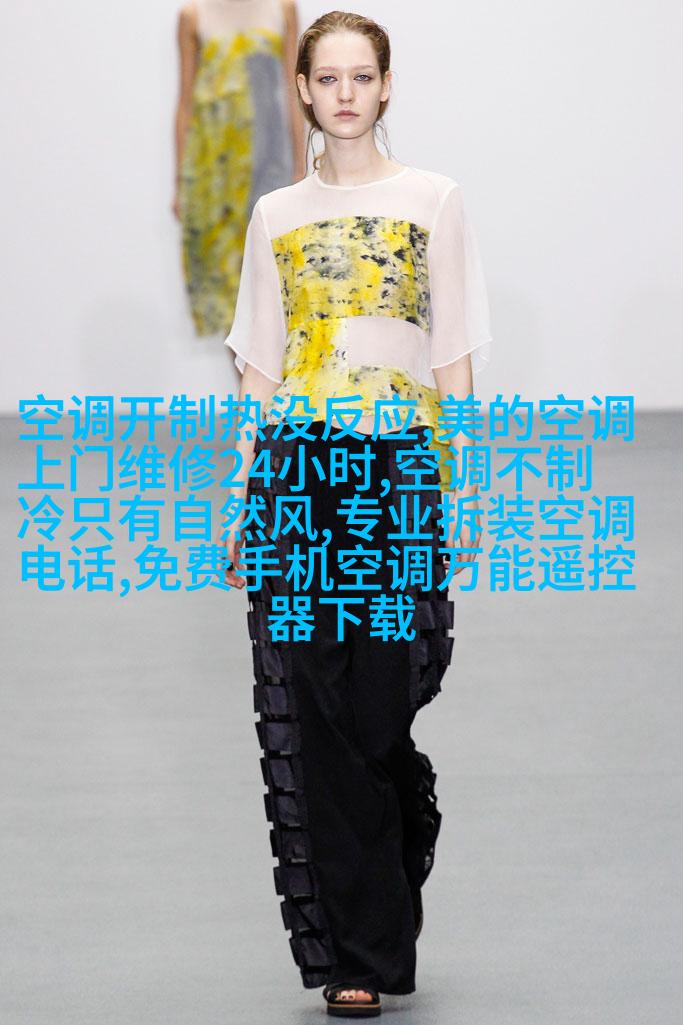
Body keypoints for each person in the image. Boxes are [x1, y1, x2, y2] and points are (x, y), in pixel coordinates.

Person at [220, 9, 492, 1017]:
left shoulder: (432, 200)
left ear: (385, 87)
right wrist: (237, 495)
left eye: (360, 77)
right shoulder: (275, 214)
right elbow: (259, 363)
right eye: (326, 78)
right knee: (313, 701)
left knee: (379, 700)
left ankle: (400, 817)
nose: (343, 94)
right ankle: (358, 955)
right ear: (301, 89)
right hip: (298, 469)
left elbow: (452, 354)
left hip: (398, 467)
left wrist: (460, 488)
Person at [172, 0, 306, 336]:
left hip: (269, 162)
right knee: (228, 291)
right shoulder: (193, 15)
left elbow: (295, 91)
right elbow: (185, 103)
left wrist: (301, 166)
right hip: (213, 172)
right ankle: (246, 374)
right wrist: (180, 185)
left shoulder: (281, 7)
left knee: (277, 282)